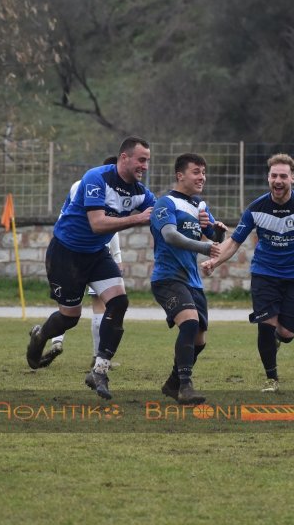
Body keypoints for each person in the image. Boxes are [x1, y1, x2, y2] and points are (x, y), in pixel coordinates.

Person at [201, 153, 294, 392]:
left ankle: (277, 341)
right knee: (266, 325)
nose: (278, 180)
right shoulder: (255, 209)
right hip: (265, 274)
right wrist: (215, 262)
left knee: (287, 332)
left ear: (293, 178)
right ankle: (271, 379)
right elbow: (234, 242)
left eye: (283, 176)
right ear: (268, 178)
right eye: (274, 176)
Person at [27, 136, 155, 400]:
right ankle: (40, 335)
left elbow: (162, 214)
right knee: (70, 318)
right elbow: (97, 224)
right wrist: (137, 218)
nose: (145, 166)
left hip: (97, 254)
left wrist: (201, 223)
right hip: (66, 254)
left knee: (119, 302)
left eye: (147, 161)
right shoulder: (95, 178)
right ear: (124, 158)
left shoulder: (140, 191)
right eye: (141, 160)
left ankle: (100, 369)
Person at [150, 153, 227, 405]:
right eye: (196, 171)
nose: (202, 177)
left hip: (192, 280)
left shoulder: (200, 206)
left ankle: (173, 383)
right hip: (167, 278)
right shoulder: (166, 203)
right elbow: (171, 236)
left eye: (204, 172)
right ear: (179, 175)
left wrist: (218, 232)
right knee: (190, 322)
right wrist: (203, 247)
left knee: (199, 340)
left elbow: (215, 237)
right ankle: (185, 387)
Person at [47, 155, 124, 370]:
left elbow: (110, 226)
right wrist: (117, 257)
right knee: (79, 308)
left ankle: (62, 344)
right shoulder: (87, 186)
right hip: (80, 254)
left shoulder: (88, 186)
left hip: (88, 254)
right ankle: (89, 353)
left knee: (84, 304)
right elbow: (99, 223)